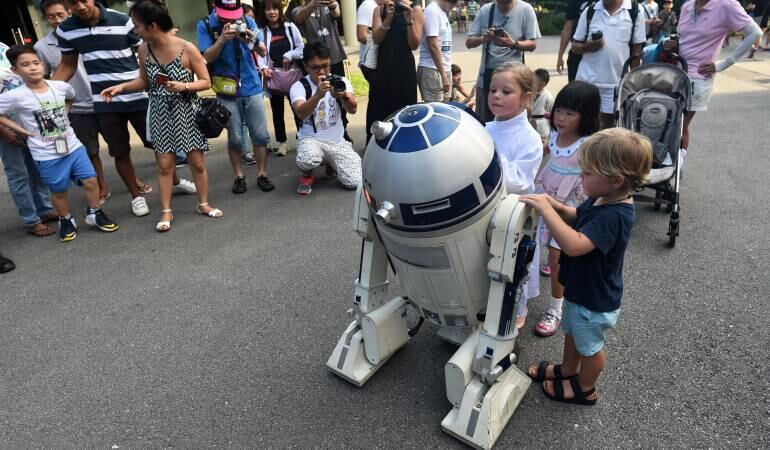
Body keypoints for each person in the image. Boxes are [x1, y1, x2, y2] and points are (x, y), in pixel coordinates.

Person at [521, 128, 652, 405]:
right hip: (580, 290)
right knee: (572, 333)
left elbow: (575, 245)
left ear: (615, 180)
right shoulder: (603, 197)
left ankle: (585, 387)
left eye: (587, 174)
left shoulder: (615, 216)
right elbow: (578, 214)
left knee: (590, 347)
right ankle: (568, 370)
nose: (581, 177)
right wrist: (554, 205)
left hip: (594, 300)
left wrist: (546, 213)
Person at [54, 0, 194, 218]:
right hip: (105, 100)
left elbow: (149, 48)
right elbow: (68, 65)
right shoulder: (66, 30)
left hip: (139, 94)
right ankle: (136, 196)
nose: (80, 6)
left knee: (160, 144)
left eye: (84, 0)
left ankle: (173, 180)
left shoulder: (122, 20)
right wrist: (48, 93)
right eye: (73, 3)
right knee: (119, 151)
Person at [101, 0, 223, 232]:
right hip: (159, 111)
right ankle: (166, 210)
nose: (135, 30)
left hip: (187, 111)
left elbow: (206, 81)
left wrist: (184, 86)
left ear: (152, 25)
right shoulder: (144, 49)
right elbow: (144, 81)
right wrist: (122, 87)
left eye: (137, 25)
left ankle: (204, 204)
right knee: (165, 165)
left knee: (197, 163)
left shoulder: (187, 48)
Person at [0, 46, 119, 242]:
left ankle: (94, 212)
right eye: (25, 65)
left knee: (90, 180)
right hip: (46, 153)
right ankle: (66, 219)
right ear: (15, 71)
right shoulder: (15, 96)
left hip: (73, 146)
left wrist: (66, 112)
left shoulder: (59, 86)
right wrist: (20, 129)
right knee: (59, 190)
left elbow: (71, 96)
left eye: (36, 63)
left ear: (43, 65)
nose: (32, 68)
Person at [533, 80, 601, 337]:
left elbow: (596, 174)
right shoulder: (556, 134)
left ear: (586, 116)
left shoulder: (588, 144)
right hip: (548, 194)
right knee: (545, 244)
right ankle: (555, 261)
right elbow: (549, 149)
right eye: (559, 110)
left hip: (570, 204)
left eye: (570, 113)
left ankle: (555, 308)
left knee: (555, 254)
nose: (560, 117)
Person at [484, 62, 542, 329]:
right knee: (489, 257)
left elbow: (520, 179)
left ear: (526, 98)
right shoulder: (483, 128)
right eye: (493, 89)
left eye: (506, 91)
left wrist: (491, 158)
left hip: (515, 213)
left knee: (514, 262)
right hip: (485, 207)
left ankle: (519, 307)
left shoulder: (529, 138)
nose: (496, 95)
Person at [35, 0, 110, 206]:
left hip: (104, 99)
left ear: (69, 12)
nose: (57, 20)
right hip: (77, 107)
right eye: (51, 16)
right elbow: (45, 79)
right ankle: (101, 185)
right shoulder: (41, 47)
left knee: (119, 148)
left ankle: (133, 181)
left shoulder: (85, 33)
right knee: (91, 151)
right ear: (45, 19)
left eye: (61, 14)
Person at [662, 0, 761, 155]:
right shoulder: (687, 7)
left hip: (698, 78)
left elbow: (755, 33)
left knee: (679, 124)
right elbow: (683, 39)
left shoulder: (726, 5)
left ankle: (677, 164)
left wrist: (723, 64)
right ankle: (668, 164)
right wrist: (671, 44)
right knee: (667, 122)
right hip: (676, 73)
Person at [198, 0, 276, 194]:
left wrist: (249, 40)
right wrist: (222, 39)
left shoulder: (248, 22)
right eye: (226, 15)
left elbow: (262, 51)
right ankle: (239, 176)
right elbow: (207, 57)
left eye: (234, 16)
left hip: (251, 85)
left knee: (260, 134)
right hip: (226, 90)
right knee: (235, 138)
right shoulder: (206, 25)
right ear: (216, 9)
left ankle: (262, 174)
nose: (231, 20)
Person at [0, 41, 56, 237]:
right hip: (4, 121)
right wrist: (3, 129)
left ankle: (45, 209)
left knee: (36, 167)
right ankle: (31, 219)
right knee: (18, 173)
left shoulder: (3, 48)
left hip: (27, 117)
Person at [290, 43, 361, 195]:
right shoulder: (299, 86)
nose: (322, 71)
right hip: (310, 139)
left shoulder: (340, 81)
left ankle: (330, 162)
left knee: (354, 181)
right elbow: (301, 114)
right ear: (306, 67)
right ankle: (308, 174)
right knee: (307, 158)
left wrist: (344, 96)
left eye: (326, 66)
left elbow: (353, 109)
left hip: (337, 141)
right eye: (315, 67)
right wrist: (317, 95)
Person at [571, 0, 646, 129]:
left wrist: (635, 84)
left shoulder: (634, 10)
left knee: (608, 129)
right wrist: (589, 46)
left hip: (614, 85)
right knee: (582, 126)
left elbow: (636, 49)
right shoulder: (590, 11)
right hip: (585, 81)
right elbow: (575, 46)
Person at [466, 0, 541, 122]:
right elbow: (469, 42)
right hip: (487, 78)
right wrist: (484, 38)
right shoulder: (486, 10)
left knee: (513, 122)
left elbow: (533, 44)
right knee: (485, 124)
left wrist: (513, 44)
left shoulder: (526, 9)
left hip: (515, 78)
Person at [292, 0, 351, 142]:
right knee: (313, 92)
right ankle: (308, 131)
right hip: (314, 61)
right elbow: (299, 17)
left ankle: (342, 128)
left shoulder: (329, 5)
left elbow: (336, 12)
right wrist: (313, 4)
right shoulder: (299, 9)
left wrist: (331, 5)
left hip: (333, 58)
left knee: (339, 91)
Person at [369, 0, 424, 141]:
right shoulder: (380, 10)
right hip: (384, 68)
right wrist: (387, 19)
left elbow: (414, 45)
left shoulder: (415, 9)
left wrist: (409, 21)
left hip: (404, 68)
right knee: (383, 109)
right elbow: (376, 39)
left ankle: (405, 141)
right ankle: (384, 144)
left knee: (405, 109)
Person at [256, 0, 304, 157]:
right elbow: (260, 54)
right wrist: (263, 68)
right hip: (274, 77)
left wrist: (289, 55)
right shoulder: (261, 32)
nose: (272, 12)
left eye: (275, 8)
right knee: (277, 112)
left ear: (280, 10)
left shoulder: (290, 27)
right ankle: (282, 143)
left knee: (298, 109)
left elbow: (300, 49)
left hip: (293, 75)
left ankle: (303, 139)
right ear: (263, 12)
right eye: (268, 9)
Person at [418, 0, 458, 102]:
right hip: (432, 70)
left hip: (444, 68)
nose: (454, 6)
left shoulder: (442, 12)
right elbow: (433, 46)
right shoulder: (432, 11)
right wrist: (443, 75)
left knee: (445, 109)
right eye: (454, 3)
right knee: (436, 110)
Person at [356, 0, 380, 143]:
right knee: (377, 101)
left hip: (377, 63)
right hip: (370, 64)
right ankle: (371, 138)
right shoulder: (368, 6)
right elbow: (361, 35)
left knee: (377, 99)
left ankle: (372, 138)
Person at [556, 0, 592, 81]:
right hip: (577, 51)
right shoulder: (575, 2)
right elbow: (567, 29)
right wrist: (560, 57)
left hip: (598, 53)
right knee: (575, 89)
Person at [530, 68, 554, 142]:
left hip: (541, 125)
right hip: (529, 122)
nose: (531, 82)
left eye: (534, 81)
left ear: (543, 84)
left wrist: (552, 128)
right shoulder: (528, 93)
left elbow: (551, 112)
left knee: (542, 143)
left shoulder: (548, 96)